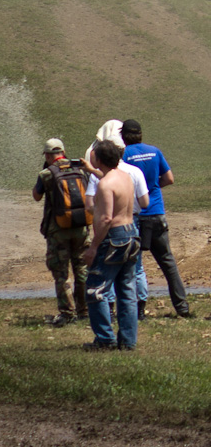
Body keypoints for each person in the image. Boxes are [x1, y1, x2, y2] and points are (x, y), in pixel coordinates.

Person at [121, 119, 191, 318]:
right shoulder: (154, 151)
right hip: (157, 213)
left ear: (123, 136)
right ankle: (182, 307)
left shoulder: (124, 155)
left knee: (134, 264)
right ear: (141, 133)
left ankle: (136, 310)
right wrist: (153, 188)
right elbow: (169, 178)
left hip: (136, 215)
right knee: (168, 263)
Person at [82, 120, 150, 320]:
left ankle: (107, 320)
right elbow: (144, 202)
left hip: (111, 231)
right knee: (134, 273)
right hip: (132, 225)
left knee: (103, 276)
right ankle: (137, 314)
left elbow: (97, 211)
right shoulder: (133, 173)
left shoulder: (101, 179)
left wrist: (93, 245)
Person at [83, 140, 141, 350]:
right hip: (131, 233)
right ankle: (128, 341)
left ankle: (105, 339)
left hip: (113, 237)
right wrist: (92, 171)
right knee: (126, 290)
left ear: (99, 158)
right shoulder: (124, 177)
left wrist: (93, 247)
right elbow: (109, 180)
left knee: (95, 290)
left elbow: (106, 218)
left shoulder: (105, 184)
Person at [32, 138, 89, 327]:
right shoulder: (79, 169)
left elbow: (36, 196)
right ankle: (84, 310)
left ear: (48, 156)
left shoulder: (47, 174)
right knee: (81, 269)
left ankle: (66, 312)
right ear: (63, 152)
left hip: (58, 230)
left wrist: (44, 173)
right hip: (81, 227)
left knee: (61, 272)